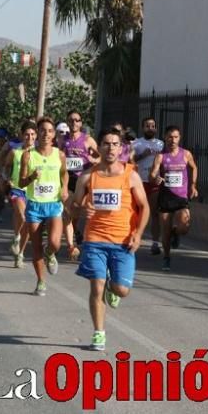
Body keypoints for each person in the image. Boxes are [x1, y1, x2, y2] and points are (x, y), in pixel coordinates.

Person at [71, 127, 150, 352]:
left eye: (115, 144)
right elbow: (73, 208)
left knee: (121, 290)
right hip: (94, 240)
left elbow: (144, 207)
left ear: (121, 148)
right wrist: (80, 210)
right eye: (106, 143)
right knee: (96, 287)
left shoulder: (130, 175)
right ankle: (99, 333)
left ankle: (113, 290)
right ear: (100, 147)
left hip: (123, 241)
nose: (111, 148)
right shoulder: (89, 176)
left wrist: (138, 234)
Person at [19, 117, 68, 297]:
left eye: (49, 131)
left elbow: (64, 175)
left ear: (54, 135)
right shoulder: (28, 155)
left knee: (55, 242)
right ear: (37, 133)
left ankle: (51, 253)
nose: (46, 134)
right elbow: (21, 181)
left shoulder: (60, 154)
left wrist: (64, 189)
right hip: (34, 206)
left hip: (54, 204)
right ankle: (40, 281)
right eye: (42, 131)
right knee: (37, 246)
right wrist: (32, 177)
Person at [148, 125, 199, 271]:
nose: (173, 140)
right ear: (165, 137)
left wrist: (193, 185)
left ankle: (176, 233)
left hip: (181, 196)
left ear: (179, 138)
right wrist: (155, 178)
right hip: (166, 197)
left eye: (176, 137)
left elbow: (194, 167)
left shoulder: (185, 154)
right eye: (170, 137)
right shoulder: (161, 156)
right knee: (165, 229)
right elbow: (152, 175)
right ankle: (166, 257)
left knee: (184, 226)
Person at [59, 111, 99, 261]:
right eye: (71, 120)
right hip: (68, 180)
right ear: (68, 123)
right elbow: (59, 157)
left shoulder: (88, 140)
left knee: (83, 212)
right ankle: (71, 247)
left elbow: (100, 157)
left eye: (77, 120)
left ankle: (86, 240)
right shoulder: (63, 140)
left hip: (84, 181)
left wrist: (91, 159)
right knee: (68, 213)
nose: (74, 123)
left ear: (81, 123)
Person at [0, 121, 35, 267]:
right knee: (22, 216)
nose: (30, 137)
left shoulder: (39, 153)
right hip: (17, 189)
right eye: (27, 134)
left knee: (26, 223)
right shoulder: (15, 152)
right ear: (21, 135)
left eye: (33, 134)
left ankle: (20, 252)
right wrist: (7, 180)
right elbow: (5, 168)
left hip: (33, 192)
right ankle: (16, 237)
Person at [132, 117, 165, 255]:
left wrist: (161, 176)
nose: (150, 128)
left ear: (156, 128)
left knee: (155, 213)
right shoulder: (136, 143)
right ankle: (132, 239)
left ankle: (155, 243)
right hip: (139, 182)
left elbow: (165, 162)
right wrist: (142, 155)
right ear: (142, 128)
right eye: (147, 126)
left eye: (152, 126)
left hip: (153, 183)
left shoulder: (160, 144)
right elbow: (130, 161)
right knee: (136, 213)